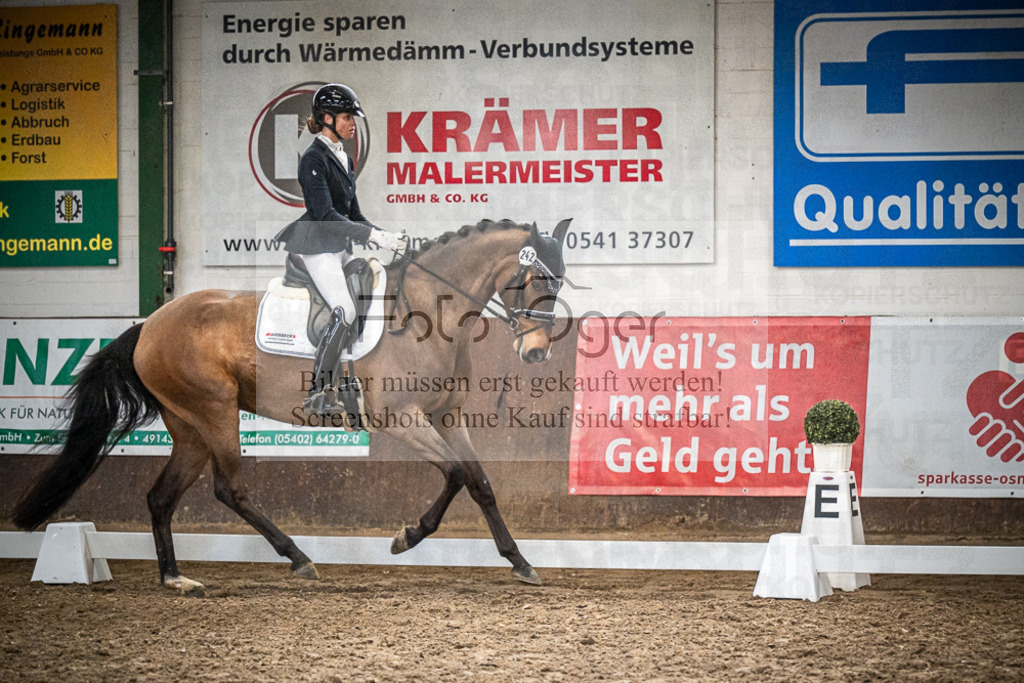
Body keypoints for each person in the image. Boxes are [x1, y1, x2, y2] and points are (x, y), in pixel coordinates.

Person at [275, 83, 405, 413]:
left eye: (352, 118)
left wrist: (382, 234)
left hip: (340, 245)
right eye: (347, 117)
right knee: (345, 310)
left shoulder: (343, 159)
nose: (352, 124)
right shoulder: (313, 160)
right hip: (317, 245)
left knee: (367, 296)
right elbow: (325, 216)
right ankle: (318, 393)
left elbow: (353, 214)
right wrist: (373, 237)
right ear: (328, 118)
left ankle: (351, 383)